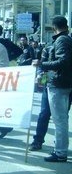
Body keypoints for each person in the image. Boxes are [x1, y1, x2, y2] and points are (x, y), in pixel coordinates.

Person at [32, 16, 72, 162]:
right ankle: (60, 149)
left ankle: (60, 152)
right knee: (59, 118)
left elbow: (63, 61)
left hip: (59, 84)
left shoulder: (62, 40)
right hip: (59, 83)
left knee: (59, 120)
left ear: (54, 26)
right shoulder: (64, 39)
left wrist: (42, 64)